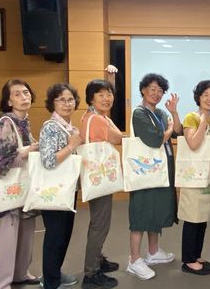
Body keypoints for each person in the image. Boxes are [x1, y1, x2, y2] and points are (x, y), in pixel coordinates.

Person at [126, 73, 182, 280]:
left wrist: (173, 113)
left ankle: (153, 252)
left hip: (160, 170)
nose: (156, 94)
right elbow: (155, 140)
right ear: (143, 90)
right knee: (140, 213)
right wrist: (167, 130)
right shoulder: (139, 113)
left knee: (155, 210)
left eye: (160, 91)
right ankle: (134, 259)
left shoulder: (159, 112)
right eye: (152, 89)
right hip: (145, 172)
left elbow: (177, 131)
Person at [0, 79, 40, 289]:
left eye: (26, 93)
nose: (24, 97)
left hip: (23, 189)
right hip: (9, 190)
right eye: (17, 94)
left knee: (26, 234)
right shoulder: (5, 122)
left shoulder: (23, 121)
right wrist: (26, 152)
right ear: (8, 100)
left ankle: (20, 273)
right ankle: (1, 284)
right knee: (7, 240)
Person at [80, 66, 123, 288]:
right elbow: (117, 138)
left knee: (99, 222)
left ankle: (97, 260)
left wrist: (109, 79)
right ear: (91, 98)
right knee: (100, 224)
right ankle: (91, 272)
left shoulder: (92, 115)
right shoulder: (97, 119)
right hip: (99, 177)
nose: (107, 98)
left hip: (98, 175)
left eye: (109, 94)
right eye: (101, 94)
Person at [38, 83, 83, 289]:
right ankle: (50, 282)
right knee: (55, 237)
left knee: (64, 235)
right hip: (53, 190)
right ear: (52, 103)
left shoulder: (70, 127)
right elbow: (48, 161)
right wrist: (72, 145)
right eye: (61, 100)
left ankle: (55, 273)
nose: (67, 104)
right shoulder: (50, 127)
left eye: (70, 99)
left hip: (68, 188)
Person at [178, 80, 210, 275]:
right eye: (205, 94)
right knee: (192, 218)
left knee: (202, 218)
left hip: (206, 177)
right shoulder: (191, 117)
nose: (209, 98)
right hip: (193, 176)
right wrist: (204, 119)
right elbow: (194, 143)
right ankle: (188, 260)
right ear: (198, 97)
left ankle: (196, 254)